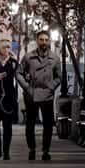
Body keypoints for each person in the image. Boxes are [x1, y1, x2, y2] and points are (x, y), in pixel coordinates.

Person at [17, 29, 61, 160]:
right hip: (32, 94)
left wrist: (51, 87)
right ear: (37, 41)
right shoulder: (28, 57)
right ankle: (32, 149)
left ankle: (46, 151)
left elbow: (59, 76)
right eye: (41, 40)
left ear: (49, 42)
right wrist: (26, 87)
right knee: (30, 124)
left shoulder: (55, 58)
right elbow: (18, 73)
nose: (44, 42)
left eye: (46, 40)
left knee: (48, 124)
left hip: (47, 95)